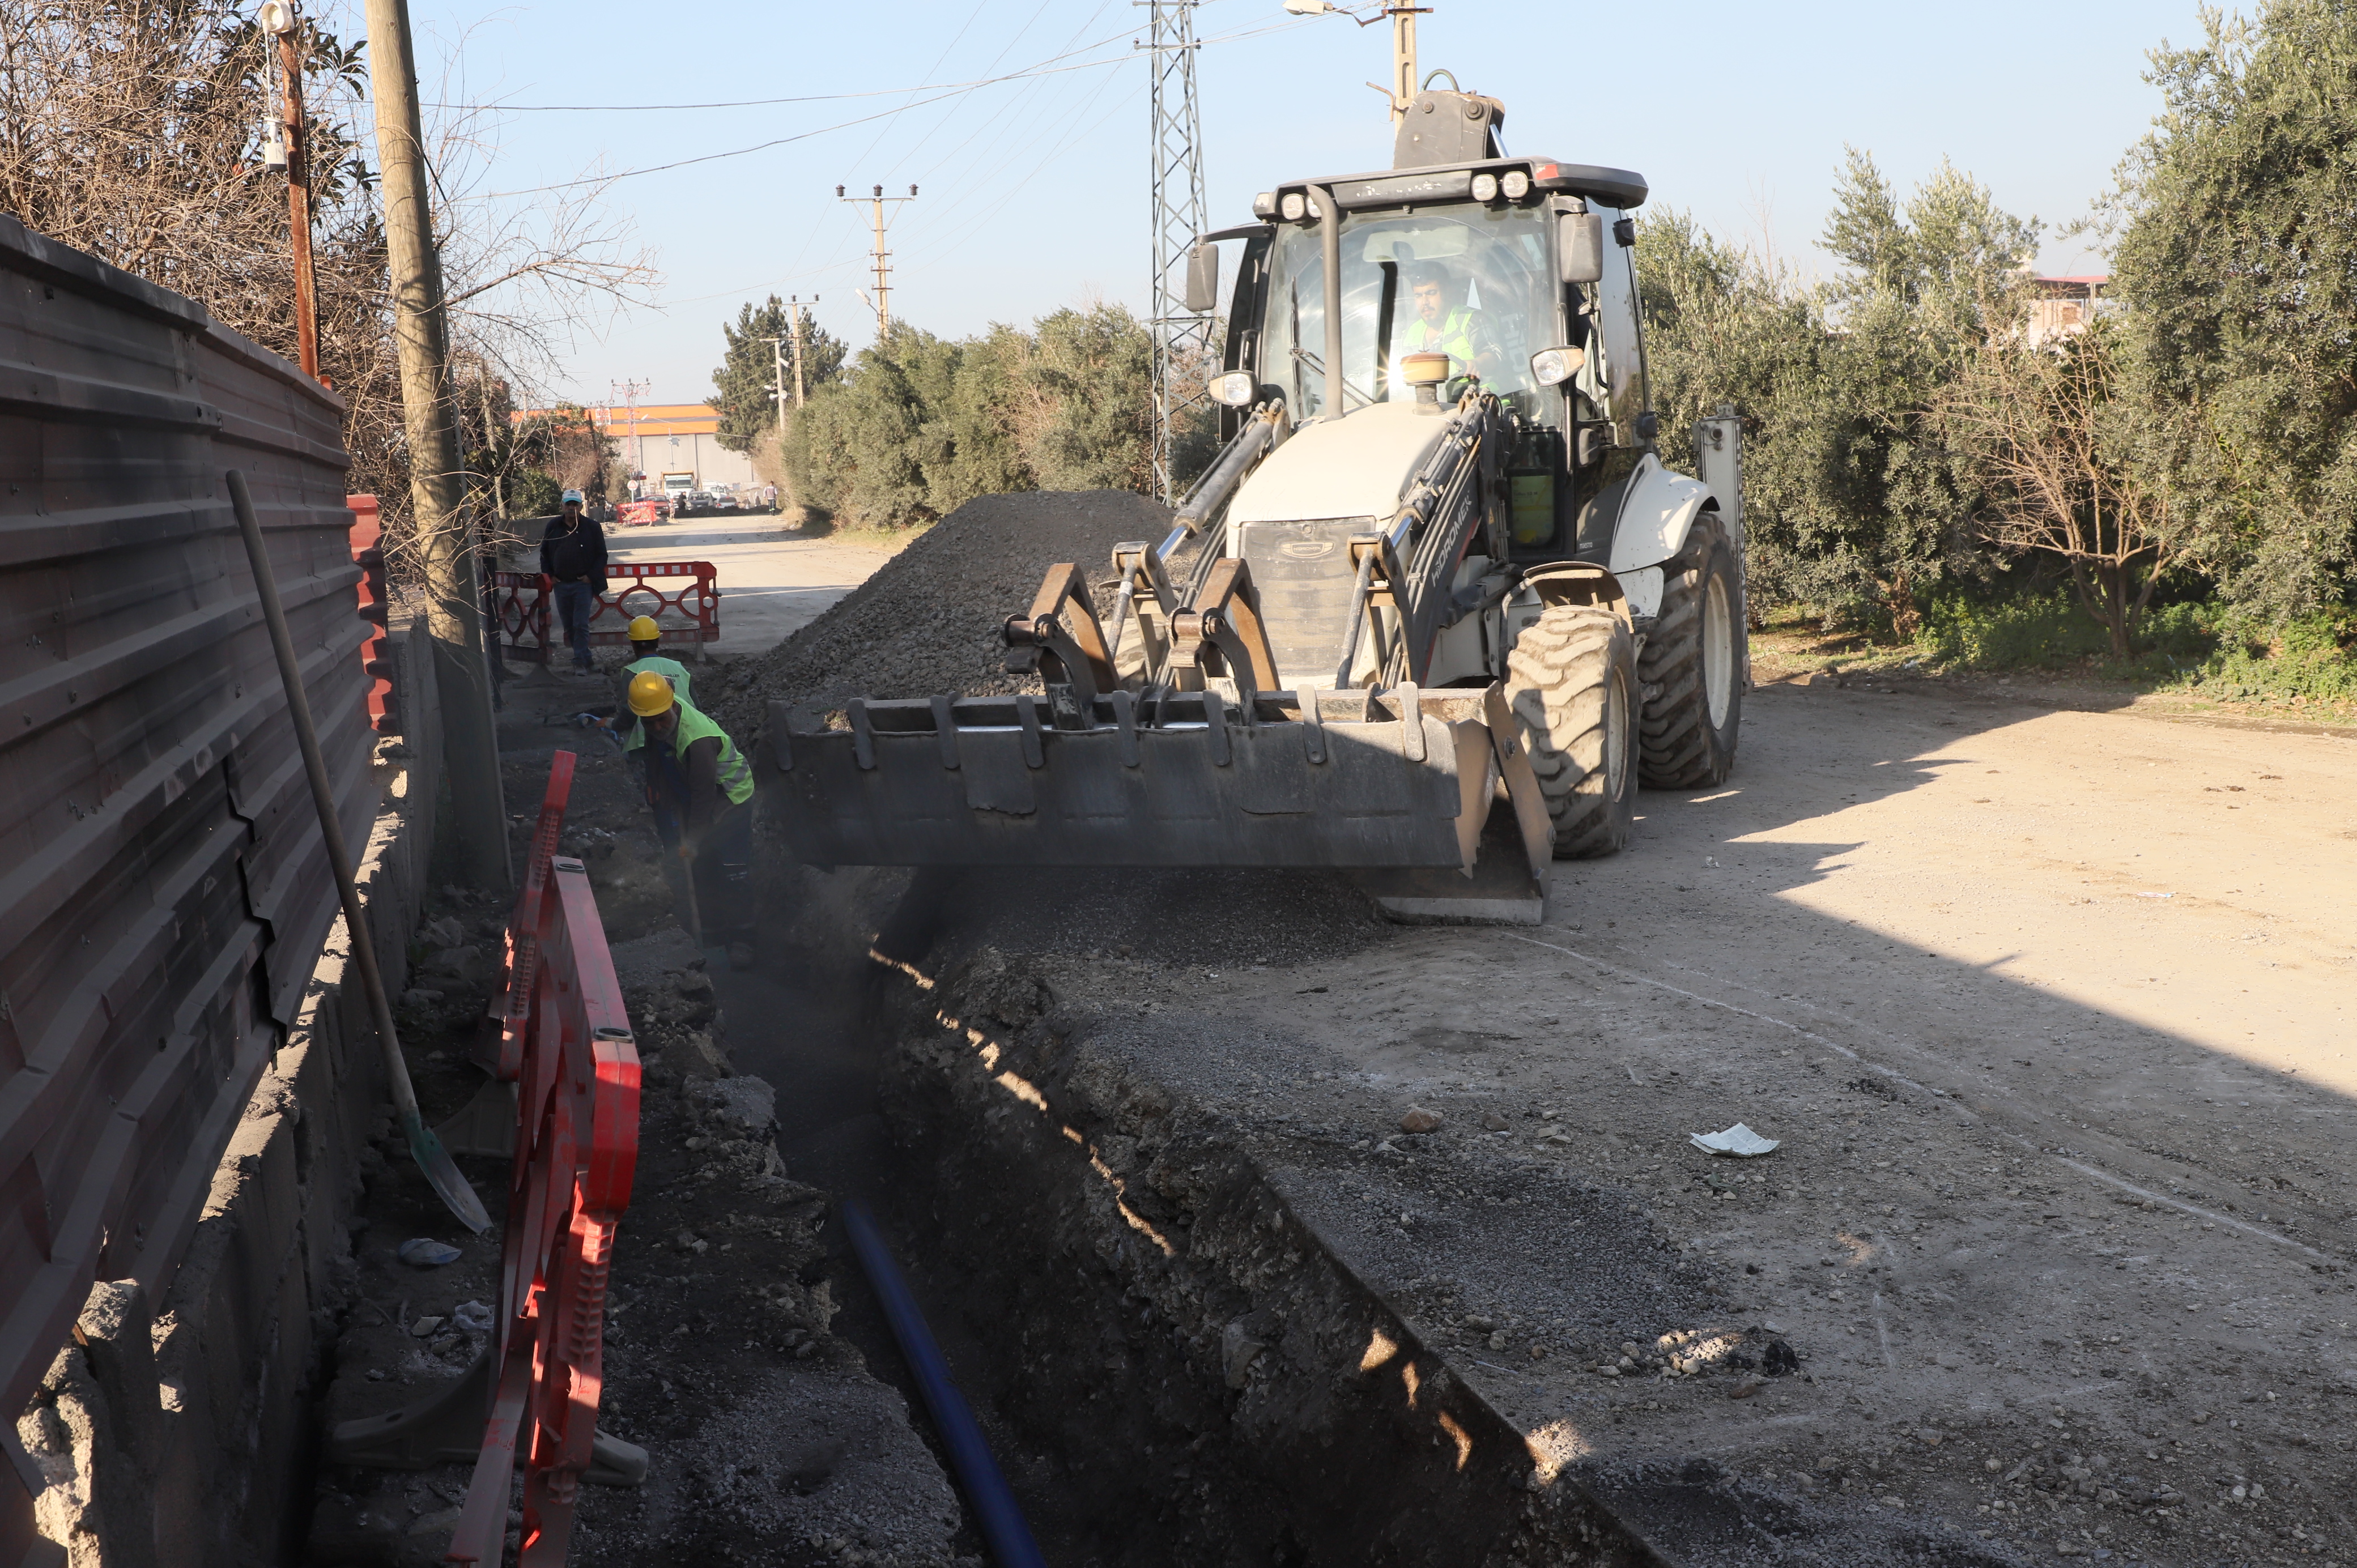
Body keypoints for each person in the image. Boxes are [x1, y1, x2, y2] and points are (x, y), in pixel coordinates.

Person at [627, 671, 755, 967]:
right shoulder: (655, 715)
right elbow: (657, 760)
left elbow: (704, 796)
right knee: (704, 870)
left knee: (733, 871)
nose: (657, 726)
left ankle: (744, 941)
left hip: (731, 800)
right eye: (650, 722)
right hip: (699, 799)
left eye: (661, 719)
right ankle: (711, 934)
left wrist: (694, 840)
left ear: (671, 705)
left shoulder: (698, 740)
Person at [606, 616, 694, 759]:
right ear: (658, 641)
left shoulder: (631, 672)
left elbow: (629, 715)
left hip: (646, 744)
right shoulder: (678, 667)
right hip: (686, 736)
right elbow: (697, 707)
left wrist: (612, 725)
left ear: (633, 644)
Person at [541, 489, 607, 678]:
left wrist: (591, 576)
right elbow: (544, 553)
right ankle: (587, 658)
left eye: (575, 504)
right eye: (568, 504)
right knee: (569, 626)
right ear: (562, 506)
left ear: (581, 506)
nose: (571, 508)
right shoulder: (553, 526)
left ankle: (579, 662)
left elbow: (602, 555)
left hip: (582, 585)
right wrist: (550, 575)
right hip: (561, 585)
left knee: (580, 624)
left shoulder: (592, 527)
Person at [1403, 266, 1502, 386]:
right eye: (1418, 296)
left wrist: (1477, 363)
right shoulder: (1411, 334)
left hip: (1479, 401)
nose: (1425, 302)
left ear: (1447, 292)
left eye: (1431, 293)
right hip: (1426, 403)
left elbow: (1493, 353)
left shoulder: (1471, 320)